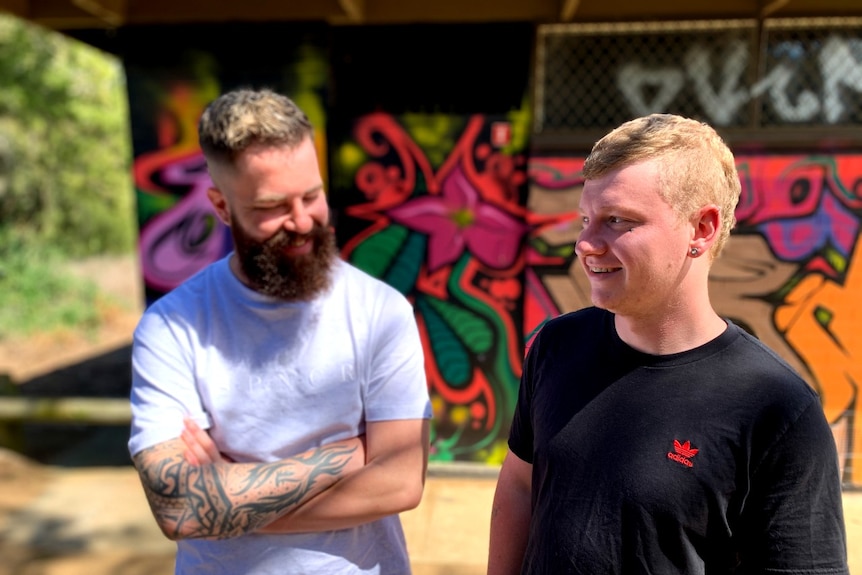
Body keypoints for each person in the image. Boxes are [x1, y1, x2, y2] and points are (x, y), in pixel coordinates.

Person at [487, 113, 848, 574]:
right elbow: (521, 483)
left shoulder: (776, 410)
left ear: (702, 229)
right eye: (585, 219)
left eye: (617, 220)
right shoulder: (557, 346)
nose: (584, 243)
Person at [128, 87, 432, 574]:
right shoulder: (170, 326)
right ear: (222, 207)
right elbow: (179, 506)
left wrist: (226, 494)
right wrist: (349, 457)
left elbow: (399, 484)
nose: (303, 220)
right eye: (272, 207)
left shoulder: (381, 312)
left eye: (312, 195)